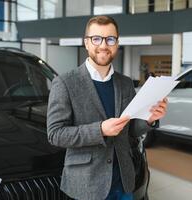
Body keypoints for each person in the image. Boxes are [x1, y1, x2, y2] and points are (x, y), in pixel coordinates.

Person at [47, 15, 168, 200]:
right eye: (96, 38)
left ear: (117, 44)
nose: (103, 45)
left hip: (123, 182)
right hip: (86, 186)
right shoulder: (64, 83)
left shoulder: (125, 83)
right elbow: (55, 134)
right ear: (86, 43)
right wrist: (100, 130)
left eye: (110, 39)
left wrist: (149, 119)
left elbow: (130, 130)